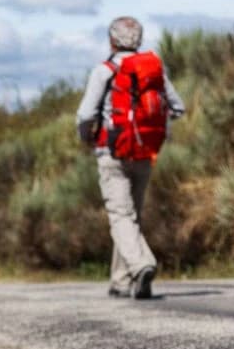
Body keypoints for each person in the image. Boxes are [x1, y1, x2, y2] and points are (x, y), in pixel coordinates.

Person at [75, 15, 185, 300]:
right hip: (145, 152)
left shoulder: (105, 71)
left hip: (112, 152)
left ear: (112, 40)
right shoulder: (153, 70)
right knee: (131, 216)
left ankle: (141, 265)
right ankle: (120, 281)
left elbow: (86, 114)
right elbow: (178, 107)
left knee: (120, 216)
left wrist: (87, 136)